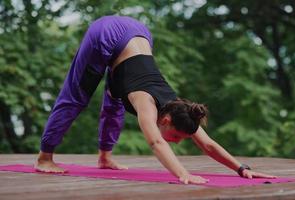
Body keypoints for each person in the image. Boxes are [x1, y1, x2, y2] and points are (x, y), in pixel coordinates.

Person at [34, 15, 276, 184]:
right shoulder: (146, 105)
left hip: (138, 34)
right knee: (76, 97)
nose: (178, 142)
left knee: (115, 103)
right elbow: (157, 144)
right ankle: (44, 158)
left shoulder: (182, 110)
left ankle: (104, 158)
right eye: (178, 136)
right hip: (106, 33)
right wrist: (183, 173)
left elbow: (208, 144)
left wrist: (242, 169)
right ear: (166, 119)